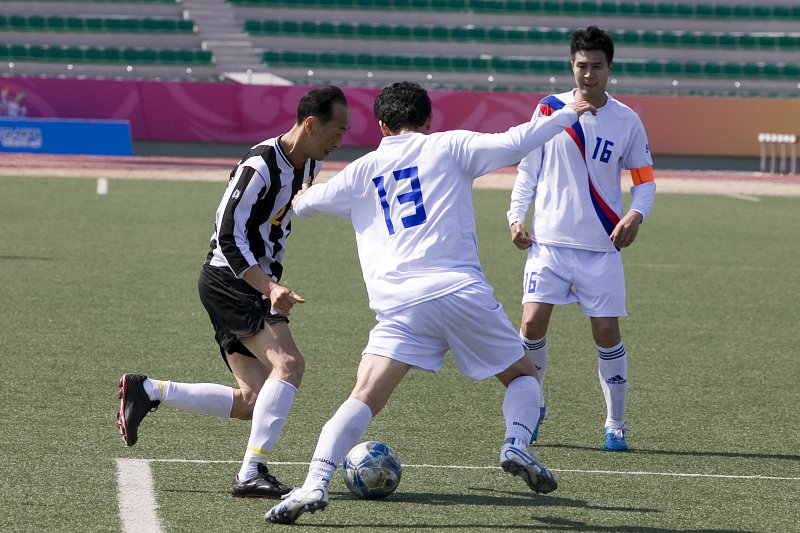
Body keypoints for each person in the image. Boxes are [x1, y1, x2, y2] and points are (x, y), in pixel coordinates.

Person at [265, 81, 596, 524]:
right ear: (428, 120)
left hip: (399, 305)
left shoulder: (361, 171)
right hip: (458, 291)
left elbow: (308, 205)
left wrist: (310, 198)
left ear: (381, 125)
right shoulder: (450, 146)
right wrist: (569, 111)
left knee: (363, 395)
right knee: (523, 377)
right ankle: (516, 443)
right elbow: (518, 139)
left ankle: (315, 482)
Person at [116, 85, 350, 498]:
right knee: (290, 364)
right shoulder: (260, 165)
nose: (341, 139)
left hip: (244, 283)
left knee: (253, 401)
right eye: (337, 130)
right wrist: (269, 285)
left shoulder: (308, 165)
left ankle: (148, 390)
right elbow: (227, 235)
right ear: (311, 124)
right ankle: (251, 472)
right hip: (232, 280)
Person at [507, 26, 656, 451]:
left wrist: (636, 213)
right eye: (580, 66)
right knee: (531, 325)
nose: (587, 75)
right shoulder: (549, 110)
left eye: (596, 67)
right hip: (548, 246)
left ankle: (616, 423)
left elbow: (645, 183)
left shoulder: (627, 120)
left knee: (606, 333)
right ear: (570, 65)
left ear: (610, 68)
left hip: (600, 249)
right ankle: (532, 409)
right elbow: (527, 171)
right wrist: (516, 216)